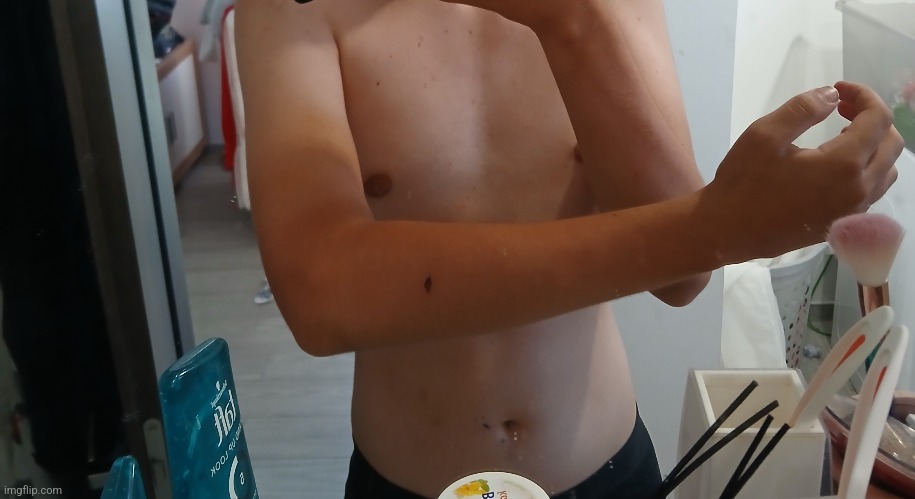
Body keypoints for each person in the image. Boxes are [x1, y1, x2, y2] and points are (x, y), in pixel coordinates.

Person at [233, 0, 903, 497]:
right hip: (409, 480)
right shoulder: (293, 9)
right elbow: (322, 291)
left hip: (609, 470)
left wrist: (571, 22)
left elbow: (680, 279)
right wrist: (718, 228)